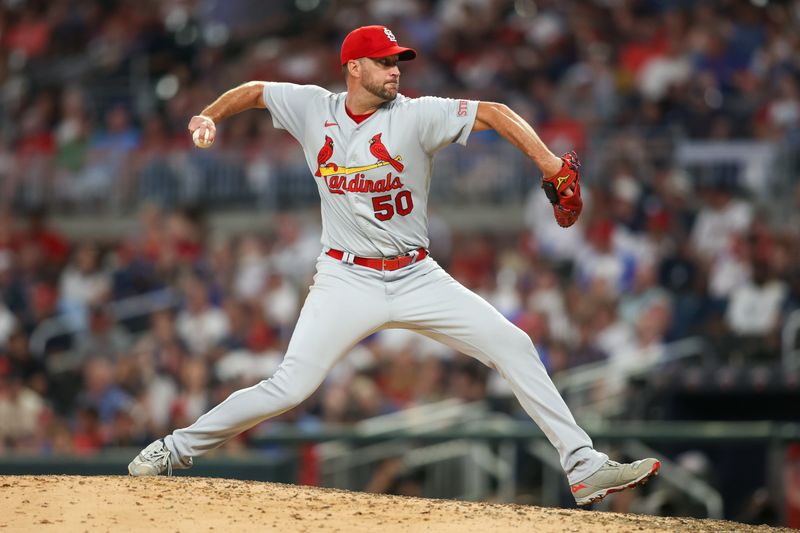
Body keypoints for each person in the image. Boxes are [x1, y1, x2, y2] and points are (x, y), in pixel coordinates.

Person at [128, 25, 660, 507]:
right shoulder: (314, 107)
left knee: (514, 345)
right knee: (290, 386)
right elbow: (255, 91)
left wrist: (549, 164)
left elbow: (493, 112)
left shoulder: (417, 114)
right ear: (353, 68)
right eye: (384, 62)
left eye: (397, 61)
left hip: (416, 275)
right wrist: (209, 114)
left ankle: (584, 466)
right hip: (345, 277)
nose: (395, 69)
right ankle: (171, 450)